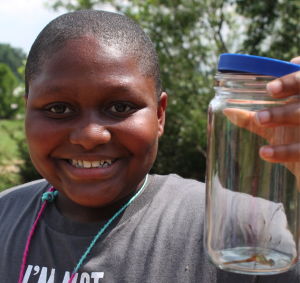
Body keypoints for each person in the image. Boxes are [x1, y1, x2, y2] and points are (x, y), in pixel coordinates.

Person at [0, 10, 299, 283]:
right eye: (59, 109)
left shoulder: (248, 231)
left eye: (119, 106)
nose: (90, 136)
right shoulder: (4, 215)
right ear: (26, 112)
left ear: (159, 115)